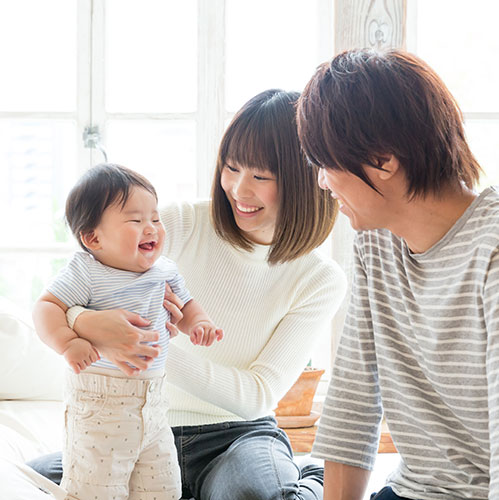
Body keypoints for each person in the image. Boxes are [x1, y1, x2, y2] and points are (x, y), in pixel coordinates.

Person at [28, 89, 348, 500]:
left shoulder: (319, 278)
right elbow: (74, 289)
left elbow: (257, 396)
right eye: (231, 168)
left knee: (256, 493)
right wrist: (86, 324)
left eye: (261, 177)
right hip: (140, 424)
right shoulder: (175, 223)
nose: (238, 189)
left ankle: (307, 476)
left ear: (306, 181)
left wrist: (151, 347)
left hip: (236, 437)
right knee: (36, 478)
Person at [296, 48, 499, 500]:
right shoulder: (375, 241)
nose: (322, 183)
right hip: (412, 490)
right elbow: (353, 397)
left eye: (325, 165)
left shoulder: (492, 250)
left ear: (383, 161)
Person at [32, 163, 223, 500]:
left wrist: (199, 323)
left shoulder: (164, 270)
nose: (151, 228)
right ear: (93, 237)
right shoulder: (87, 272)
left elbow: (186, 305)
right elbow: (46, 307)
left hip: (154, 405)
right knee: (94, 490)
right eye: (136, 220)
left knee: (163, 489)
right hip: (100, 404)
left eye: (155, 218)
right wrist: (69, 342)